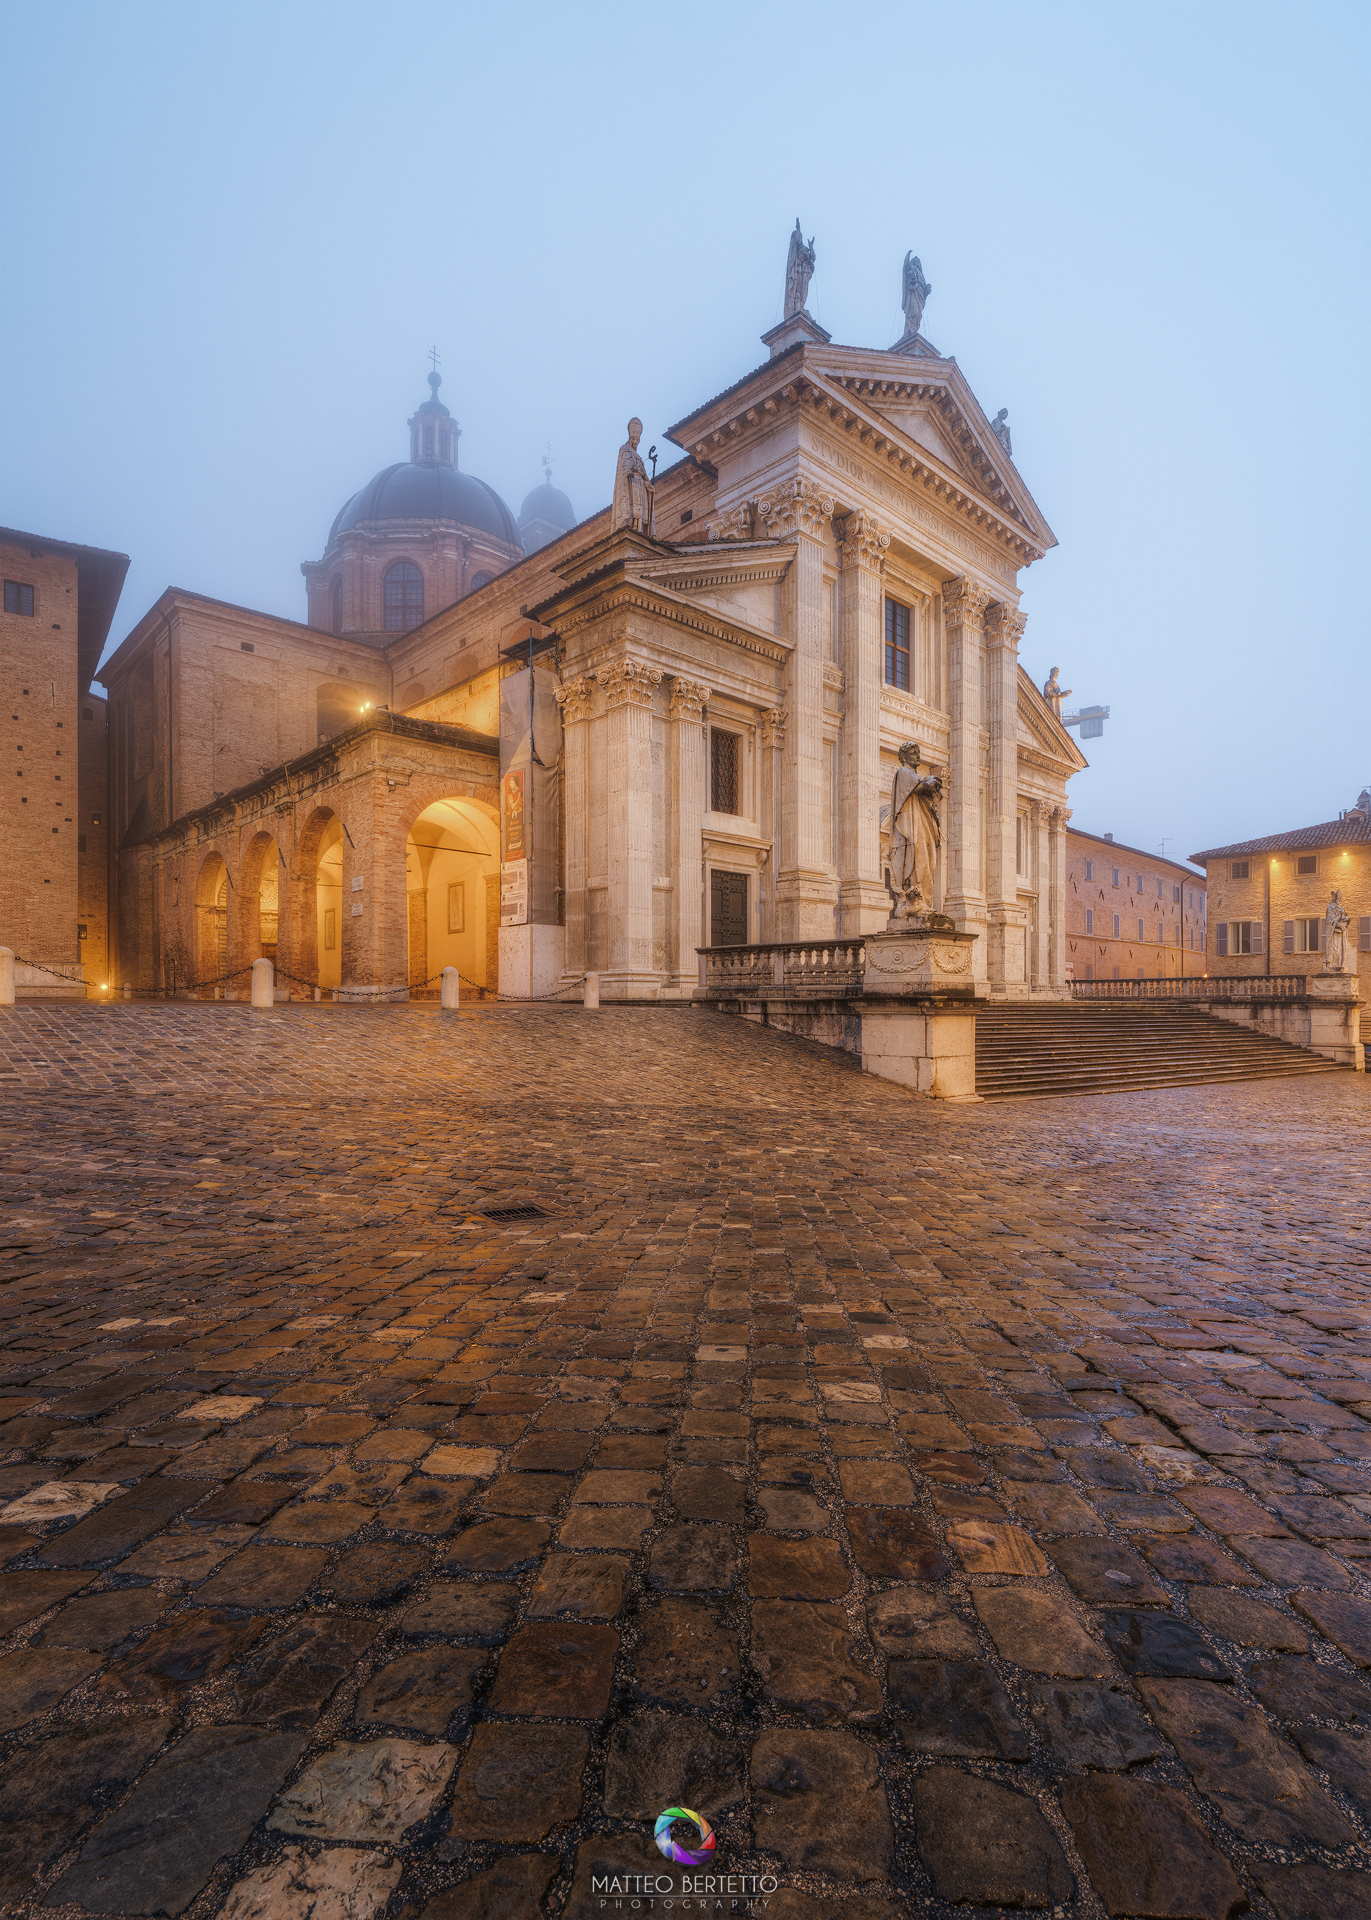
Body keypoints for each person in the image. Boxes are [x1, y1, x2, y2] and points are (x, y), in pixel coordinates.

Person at [888, 742, 942, 922]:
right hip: (912, 829)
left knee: (927, 864)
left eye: (918, 752)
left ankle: (923, 902)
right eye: (912, 752)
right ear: (903, 757)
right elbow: (924, 788)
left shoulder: (915, 776)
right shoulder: (904, 773)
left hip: (922, 827)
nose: (917, 756)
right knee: (917, 861)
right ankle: (914, 901)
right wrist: (933, 781)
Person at [611, 418, 652, 532]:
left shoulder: (638, 457)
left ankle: (639, 528)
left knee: (640, 508)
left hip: (640, 484)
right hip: (630, 483)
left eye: (637, 439)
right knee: (632, 506)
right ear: (630, 437)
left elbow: (643, 472)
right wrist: (629, 472)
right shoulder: (624, 449)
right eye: (633, 439)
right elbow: (624, 466)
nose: (635, 441)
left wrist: (647, 482)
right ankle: (630, 525)